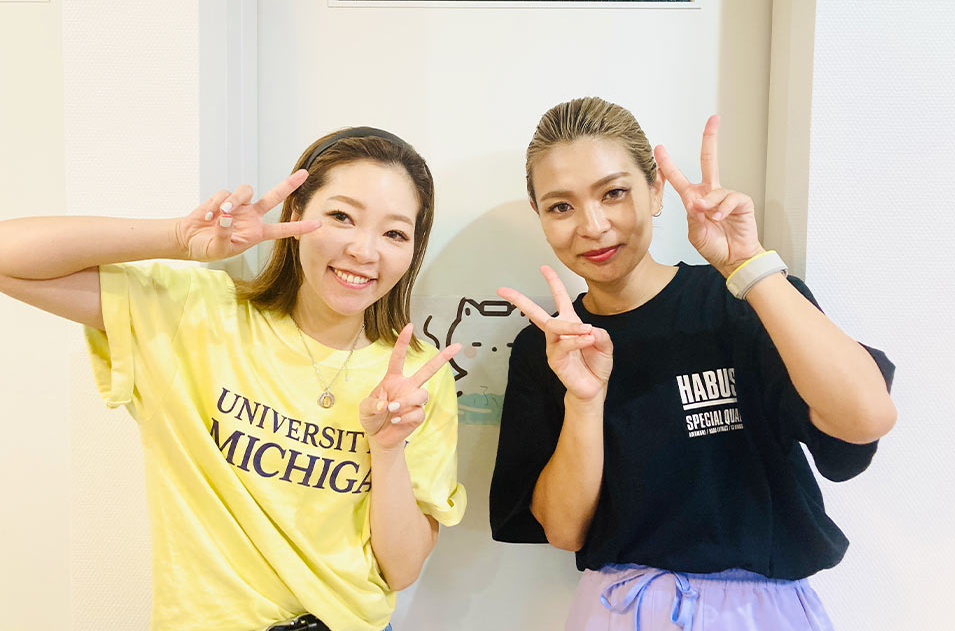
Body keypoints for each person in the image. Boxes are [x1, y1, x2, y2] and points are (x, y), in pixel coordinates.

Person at [0, 127, 466, 631]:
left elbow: (401, 570)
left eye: (395, 233)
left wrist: (388, 448)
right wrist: (179, 239)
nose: (364, 250)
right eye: (341, 217)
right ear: (294, 214)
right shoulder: (195, 314)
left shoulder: (415, 375)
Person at [488, 98, 896, 631]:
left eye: (614, 193)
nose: (593, 225)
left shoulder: (742, 302)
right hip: (620, 610)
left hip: (758, 613)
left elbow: (867, 418)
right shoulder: (548, 348)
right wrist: (584, 401)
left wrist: (748, 266)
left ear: (656, 190)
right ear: (540, 216)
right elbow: (564, 531)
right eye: (561, 206)